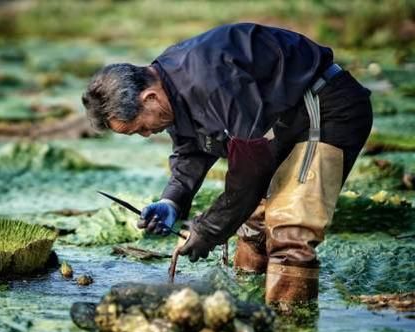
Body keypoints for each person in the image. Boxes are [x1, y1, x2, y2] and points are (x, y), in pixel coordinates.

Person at [81, 23, 373, 308]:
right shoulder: (168, 85)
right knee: (253, 228)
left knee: (290, 232)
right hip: (280, 121)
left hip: (325, 107)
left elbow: (249, 169)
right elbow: (191, 150)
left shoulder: (210, 78)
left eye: (139, 128)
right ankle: (247, 309)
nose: (146, 134)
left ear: (149, 97)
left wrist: (208, 229)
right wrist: (171, 201)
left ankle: (288, 328)